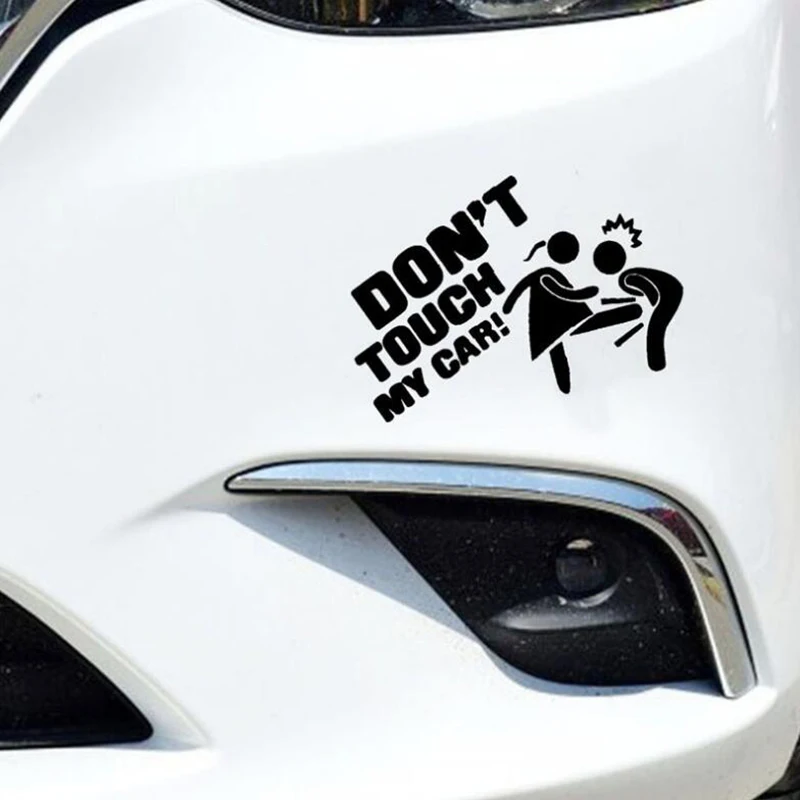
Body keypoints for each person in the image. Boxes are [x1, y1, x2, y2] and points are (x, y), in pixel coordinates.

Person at [503, 231, 599, 394]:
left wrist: (509, 305)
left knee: (557, 347)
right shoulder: (546, 275)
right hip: (551, 317)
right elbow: (564, 293)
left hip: (554, 317)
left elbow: (522, 287)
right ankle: (566, 386)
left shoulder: (546, 274)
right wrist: (586, 293)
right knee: (557, 347)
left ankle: (566, 386)